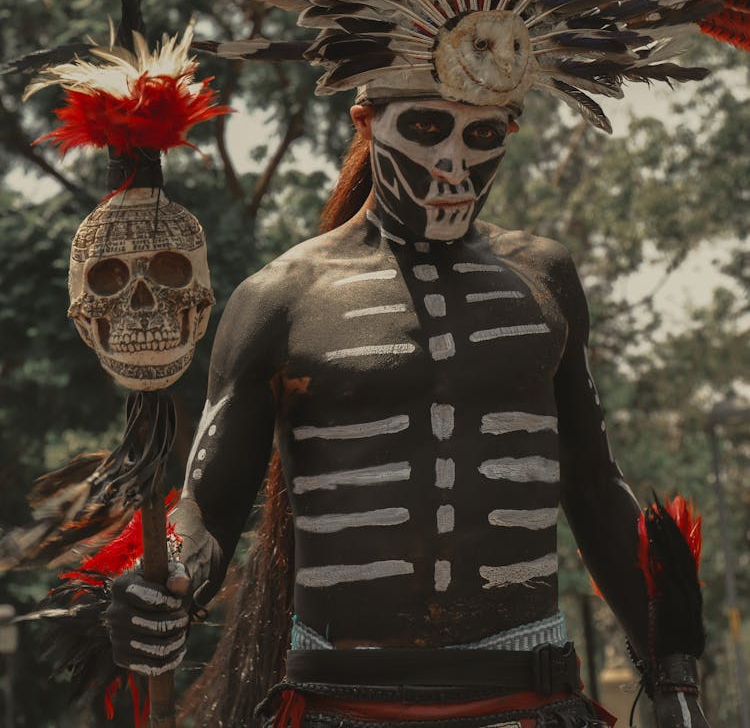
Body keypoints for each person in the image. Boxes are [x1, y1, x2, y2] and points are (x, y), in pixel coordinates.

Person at [106, 94, 709, 728]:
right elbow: (209, 511)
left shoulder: (544, 277)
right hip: (341, 704)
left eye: (481, 134)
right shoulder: (278, 299)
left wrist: (674, 676)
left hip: (530, 699)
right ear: (366, 123)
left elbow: (593, 484)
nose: (453, 163)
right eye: (426, 128)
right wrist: (165, 578)